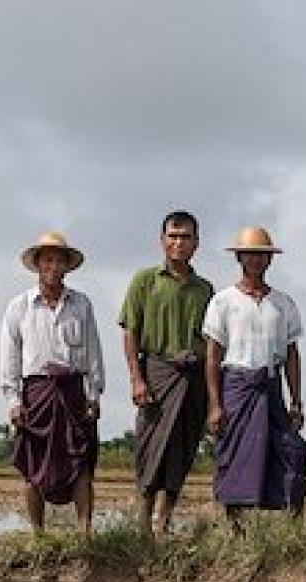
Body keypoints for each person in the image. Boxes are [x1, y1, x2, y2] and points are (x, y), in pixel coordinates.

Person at [0, 231, 105, 534]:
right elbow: (10, 359)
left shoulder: (81, 304)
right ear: (36, 264)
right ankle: (38, 534)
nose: (53, 266)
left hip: (74, 392)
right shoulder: (19, 307)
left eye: (59, 260)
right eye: (47, 259)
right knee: (33, 467)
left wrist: (93, 394)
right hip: (36, 393)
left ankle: (84, 532)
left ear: (67, 266)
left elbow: (93, 351)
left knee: (81, 462)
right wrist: (14, 401)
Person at [202, 227, 306, 521]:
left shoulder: (283, 303)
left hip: (271, 387)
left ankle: (291, 530)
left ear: (270, 259)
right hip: (236, 387)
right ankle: (237, 532)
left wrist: (296, 402)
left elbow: (291, 355)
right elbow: (213, 357)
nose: (256, 260)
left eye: (262, 255)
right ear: (239, 257)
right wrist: (215, 404)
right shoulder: (223, 301)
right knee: (235, 458)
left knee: (291, 453)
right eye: (250, 254)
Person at [119, 211, 214, 535]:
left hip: (193, 376)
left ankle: (163, 521)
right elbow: (130, 331)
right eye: (173, 236)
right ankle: (143, 523)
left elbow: (212, 344)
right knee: (150, 446)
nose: (179, 242)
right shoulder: (145, 280)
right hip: (156, 372)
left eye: (185, 237)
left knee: (182, 449)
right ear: (162, 241)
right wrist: (136, 378)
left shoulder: (205, 289)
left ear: (196, 243)